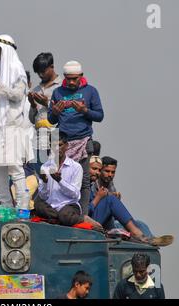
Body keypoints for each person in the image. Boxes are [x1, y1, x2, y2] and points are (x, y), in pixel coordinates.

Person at [0, 34, 33, 209]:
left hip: (12, 128)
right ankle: (6, 207)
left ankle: (22, 207)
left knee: (15, 169)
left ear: (7, 50)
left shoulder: (18, 71)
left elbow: (18, 95)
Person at [48, 60, 104, 216]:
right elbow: (51, 119)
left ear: (81, 76)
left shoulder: (91, 91)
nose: (71, 82)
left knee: (84, 182)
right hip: (62, 143)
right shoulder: (58, 92)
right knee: (57, 178)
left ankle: (82, 215)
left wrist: (84, 110)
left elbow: (100, 116)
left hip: (83, 141)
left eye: (75, 79)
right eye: (68, 78)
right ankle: (60, 212)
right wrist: (55, 112)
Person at [89, 156, 173, 246]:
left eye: (113, 172)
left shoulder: (110, 185)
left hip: (107, 220)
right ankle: (139, 236)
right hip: (90, 221)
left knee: (140, 224)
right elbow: (85, 211)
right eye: (106, 171)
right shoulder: (90, 184)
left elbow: (111, 213)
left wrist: (115, 203)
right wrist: (100, 198)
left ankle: (149, 239)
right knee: (111, 200)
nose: (110, 175)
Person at [34, 133, 98, 227]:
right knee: (38, 205)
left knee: (64, 214)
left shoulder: (76, 167)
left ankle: (82, 219)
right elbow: (43, 196)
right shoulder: (45, 167)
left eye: (60, 145)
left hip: (69, 206)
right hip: (51, 207)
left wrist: (60, 181)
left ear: (66, 146)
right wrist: (44, 182)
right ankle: (58, 218)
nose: (57, 149)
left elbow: (75, 195)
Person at [28, 52, 63, 173]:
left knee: (55, 174)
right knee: (40, 176)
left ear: (52, 67)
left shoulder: (62, 86)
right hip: (38, 139)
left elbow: (65, 112)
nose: (40, 75)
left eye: (43, 71)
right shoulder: (36, 89)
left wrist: (46, 103)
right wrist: (33, 105)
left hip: (56, 137)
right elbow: (32, 119)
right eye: (38, 72)